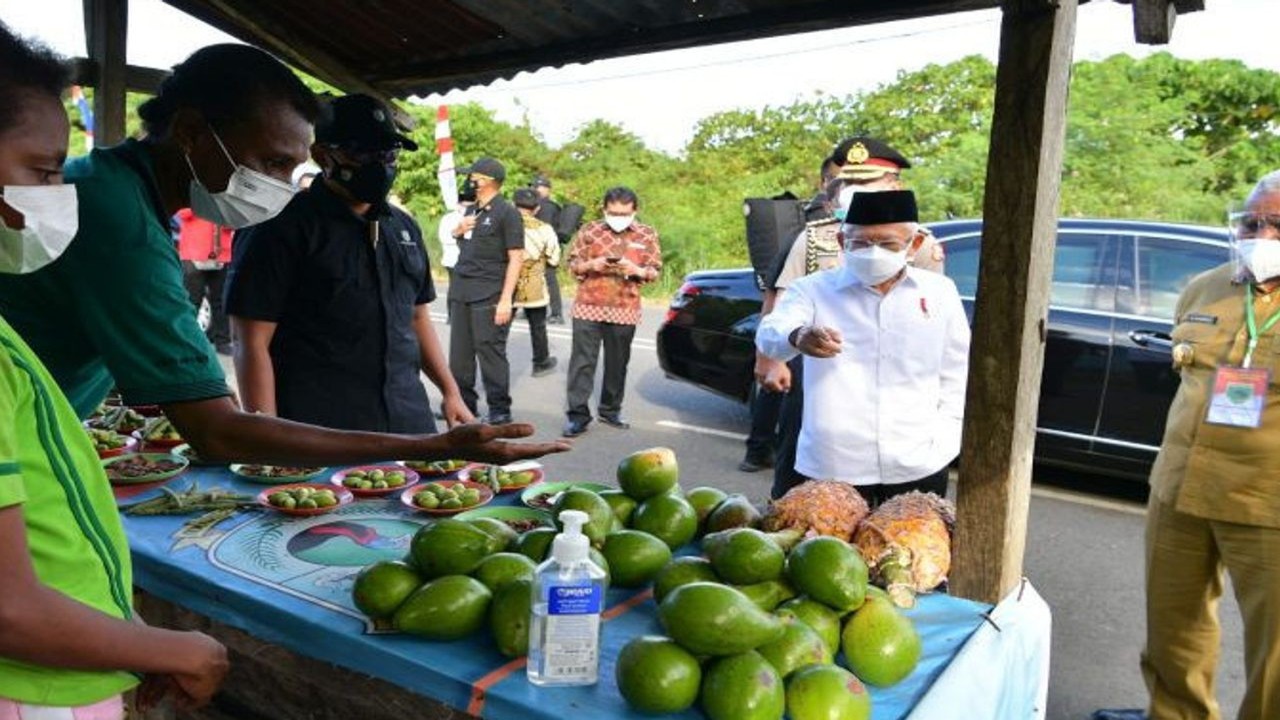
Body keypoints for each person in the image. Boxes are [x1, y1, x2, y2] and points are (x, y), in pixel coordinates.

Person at [0, 43, 567, 468]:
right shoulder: (122, 226)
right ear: (192, 132)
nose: (277, 185)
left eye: (290, 169)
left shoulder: (115, 186)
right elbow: (220, 428)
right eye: (270, 163)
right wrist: (432, 448)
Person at [0, 22, 228, 717]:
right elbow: (9, 609)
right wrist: (171, 648)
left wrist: (121, 639)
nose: (54, 193)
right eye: (41, 171)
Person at [225, 93, 472, 433]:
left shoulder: (404, 228)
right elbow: (250, 341)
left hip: (408, 420)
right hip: (321, 428)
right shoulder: (279, 227)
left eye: (388, 152)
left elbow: (416, 318)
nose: (380, 162)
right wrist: (267, 438)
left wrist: (450, 391)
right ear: (323, 155)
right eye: (362, 152)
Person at [1139, 171, 1280, 720]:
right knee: (1173, 634)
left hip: (1265, 503)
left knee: (1275, 659)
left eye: (1277, 225)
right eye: (1251, 222)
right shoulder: (1205, 288)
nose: (1260, 236)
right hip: (1179, 490)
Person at [756, 190, 969, 506]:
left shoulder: (940, 292)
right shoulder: (813, 290)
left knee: (910, 551)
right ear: (842, 243)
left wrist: (947, 437)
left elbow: (955, 368)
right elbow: (770, 331)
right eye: (861, 244)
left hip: (918, 460)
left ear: (915, 245)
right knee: (828, 552)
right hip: (834, 464)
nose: (873, 253)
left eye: (888, 244)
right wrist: (797, 336)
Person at [758, 136, 916, 497]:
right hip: (819, 376)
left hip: (888, 383)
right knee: (798, 484)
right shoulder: (814, 238)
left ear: (894, 185)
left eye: (868, 183)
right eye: (851, 182)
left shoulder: (913, 242)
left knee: (888, 496)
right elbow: (780, 305)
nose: (857, 191)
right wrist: (772, 359)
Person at [739, 153, 843, 473]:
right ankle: (759, 451)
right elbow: (776, 293)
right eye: (843, 181)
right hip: (800, 342)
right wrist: (767, 359)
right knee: (787, 414)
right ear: (826, 185)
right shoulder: (808, 231)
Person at [562, 186, 662, 438]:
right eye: (613, 212)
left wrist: (635, 269)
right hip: (588, 305)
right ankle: (577, 415)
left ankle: (610, 409)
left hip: (624, 307)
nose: (618, 217)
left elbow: (654, 271)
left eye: (623, 213)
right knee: (582, 362)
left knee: (617, 363)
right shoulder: (590, 230)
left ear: (634, 211)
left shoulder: (646, 234)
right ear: (604, 210)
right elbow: (571, 264)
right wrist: (590, 264)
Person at [448, 157, 525, 424]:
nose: (470, 181)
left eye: (474, 177)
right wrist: (458, 232)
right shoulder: (472, 212)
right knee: (459, 357)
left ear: (488, 181)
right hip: (462, 290)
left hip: (490, 293)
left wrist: (506, 300)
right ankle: (465, 406)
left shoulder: (507, 212)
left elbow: (516, 257)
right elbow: (467, 248)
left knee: (490, 353)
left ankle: (499, 408)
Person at [512, 187, 561, 377]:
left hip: (507, 284)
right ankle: (541, 363)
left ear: (513, 206)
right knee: (538, 325)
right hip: (534, 286)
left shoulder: (504, 225)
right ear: (537, 208)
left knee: (500, 328)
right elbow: (554, 258)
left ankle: (495, 363)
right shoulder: (544, 228)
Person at [175, 207, 234, 355]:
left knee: (221, 301)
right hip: (194, 253)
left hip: (221, 255)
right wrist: (205, 204)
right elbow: (182, 213)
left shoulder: (224, 199)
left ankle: (223, 341)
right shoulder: (192, 193)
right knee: (191, 301)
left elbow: (233, 224)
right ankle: (184, 343)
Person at [532, 175, 566, 324]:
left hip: (547, 248)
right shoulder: (539, 205)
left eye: (539, 187)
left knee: (549, 279)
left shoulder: (547, 207)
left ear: (547, 189)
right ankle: (531, 310)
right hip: (539, 247)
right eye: (535, 186)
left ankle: (557, 313)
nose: (536, 189)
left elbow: (545, 229)